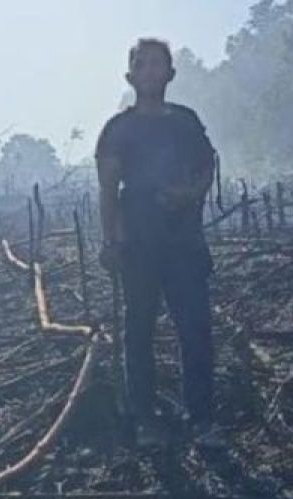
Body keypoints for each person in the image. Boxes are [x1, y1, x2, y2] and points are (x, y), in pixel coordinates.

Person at [96, 38, 221, 450]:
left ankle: (201, 418)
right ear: (130, 75)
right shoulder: (118, 129)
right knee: (139, 331)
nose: (151, 71)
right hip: (139, 244)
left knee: (195, 328)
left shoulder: (186, 121)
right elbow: (109, 190)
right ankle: (145, 420)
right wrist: (112, 241)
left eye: (158, 64)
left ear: (171, 73)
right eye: (143, 64)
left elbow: (207, 165)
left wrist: (190, 195)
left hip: (184, 241)